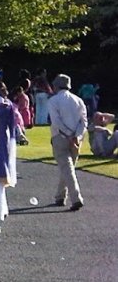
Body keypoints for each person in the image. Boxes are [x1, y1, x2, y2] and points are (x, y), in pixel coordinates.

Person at [47, 74, 87, 211]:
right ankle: (60, 196)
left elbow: (56, 121)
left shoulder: (53, 101)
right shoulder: (79, 100)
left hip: (60, 137)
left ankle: (76, 198)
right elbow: (83, 121)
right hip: (76, 139)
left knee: (67, 169)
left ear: (56, 86)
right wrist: (77, 135)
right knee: (68, 168)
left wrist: (68, 135)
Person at [0, 81, 20, 228]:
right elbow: (12, 128)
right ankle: (2, 208)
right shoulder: (9, 106)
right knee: (1, 173)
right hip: (4, 139)